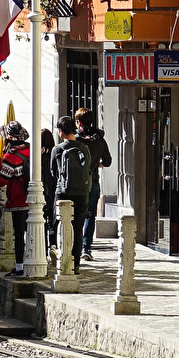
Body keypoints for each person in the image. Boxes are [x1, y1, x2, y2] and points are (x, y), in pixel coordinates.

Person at [0, 122, 31, 277]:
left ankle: (19, 266)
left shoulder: (11, 157)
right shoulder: (31, 151)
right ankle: (33, 261)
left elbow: (2, 180)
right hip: (34, 198)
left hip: (18, 200)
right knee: (32, 233)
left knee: (19, 236)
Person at [49, 116, 93, 274]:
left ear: (60, 132)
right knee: (78, 227)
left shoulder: (58, 149)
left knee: (62, 226)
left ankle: (64, 260)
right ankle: (75, 264)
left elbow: (54, 172)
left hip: (63, 193)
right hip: (82, 193)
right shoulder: (84, 147)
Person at [74, 108, 110, 262]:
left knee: (75, 215)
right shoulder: (99, 139)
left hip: (76, 183)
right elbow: (108, 161)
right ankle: (86, 248)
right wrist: (96, 165)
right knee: (90, 216)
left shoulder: (76, 140)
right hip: (93, 181)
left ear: (79, 122)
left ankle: (74, 247)